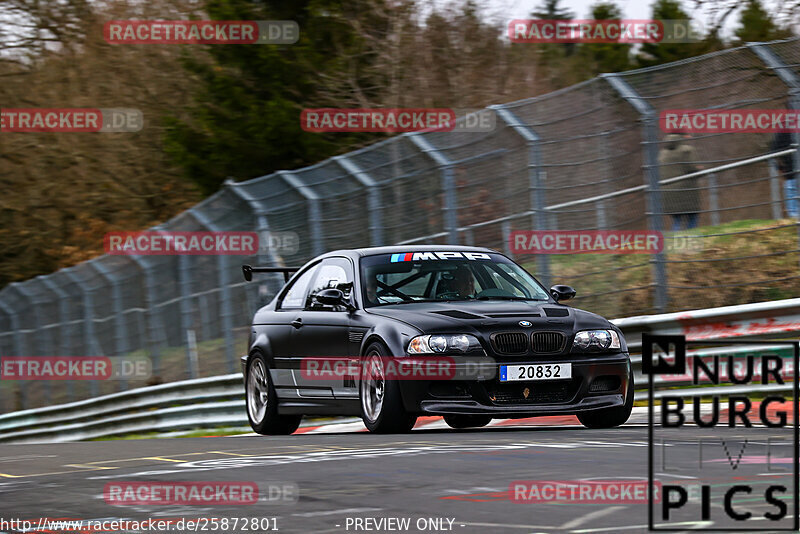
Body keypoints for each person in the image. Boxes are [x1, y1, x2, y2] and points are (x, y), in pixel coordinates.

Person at [659, 132, 702, 231]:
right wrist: (700, 168)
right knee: (692, 217)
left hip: (668, 193)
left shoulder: (662, 153)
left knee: (677, 220)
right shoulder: (686, 150)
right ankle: (690, 240)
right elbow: (693, 168)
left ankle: (676, 242)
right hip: (686, 191)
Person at [771, 131, 798, 218]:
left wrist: (780, 168)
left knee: (794, 214)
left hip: (790, 175)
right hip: (790, 175)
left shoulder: (783, 131)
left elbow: (773, 154)